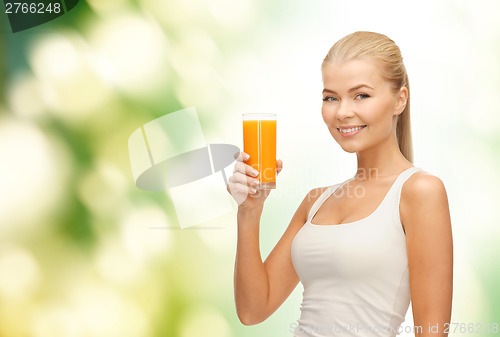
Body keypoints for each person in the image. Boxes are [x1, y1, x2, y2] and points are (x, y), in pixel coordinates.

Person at [227, 31, 453, 337]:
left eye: (361, 95)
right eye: (331, 97)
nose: (343, 112)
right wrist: (249, 211)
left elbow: (433, 332)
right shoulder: (316, 201)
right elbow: (253, 310)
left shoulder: (419, 191)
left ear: (399, 99)